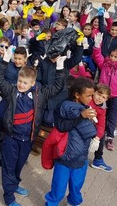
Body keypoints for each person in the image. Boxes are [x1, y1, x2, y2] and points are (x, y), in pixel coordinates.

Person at [0, 46, 65, 206]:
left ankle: (14, 185)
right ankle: (9, 197)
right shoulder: (11, 92)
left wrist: (60, 69)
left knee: (19, 165)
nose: (21, 84)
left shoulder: (39, 93)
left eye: (25, 82)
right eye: (20, 81)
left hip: (27, 139)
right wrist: (5, 62)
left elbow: (56, 87)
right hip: (11, 139)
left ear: (33, 83)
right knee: (9, 167)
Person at [44, 78, 97, 206]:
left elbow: (92, 131)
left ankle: (74, 202)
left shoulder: (86, 107)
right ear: (77, 95)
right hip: (65, 157)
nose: (91, 98)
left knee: (76, 185)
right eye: (88, 96)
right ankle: (51, 203)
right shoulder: (65, 107)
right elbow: (62, 126)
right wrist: (81, 117)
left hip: (81, 158)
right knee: (58, 186)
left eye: (92, 95)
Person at [89, 84, 112, 172]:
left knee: (101, 135)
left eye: (103, 97)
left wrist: (97, 138)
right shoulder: (88, 99)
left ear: (106, 99)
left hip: (90, 126)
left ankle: (98, 160)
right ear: (94, 92)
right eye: (98, 94)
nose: (99, 98)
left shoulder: (102, 108)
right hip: (79, 124)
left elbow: (101, 124)